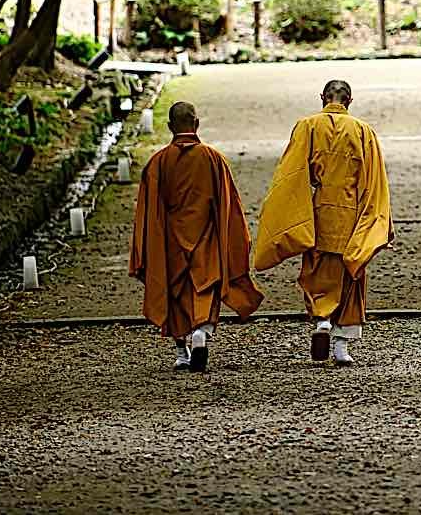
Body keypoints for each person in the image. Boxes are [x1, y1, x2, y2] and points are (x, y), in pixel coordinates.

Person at [253, 80, 392, 366]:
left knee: (316, 270)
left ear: (322, 98)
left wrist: (283, 213)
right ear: (350, 100)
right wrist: (378, 221)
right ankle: (342, 347)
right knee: (350, 274)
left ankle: (322, 320)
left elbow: (290, 175)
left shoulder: (307, 126)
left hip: (318, 212)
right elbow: (374, 179)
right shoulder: (363, 131)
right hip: (351, 213)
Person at [130, 100, 263, 371]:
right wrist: (235, 240)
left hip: (170, 242)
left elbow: (147, 211)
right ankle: (202, 331)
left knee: (175, 292)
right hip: (206, 237)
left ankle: (181, 351)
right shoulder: (213, 159)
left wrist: (145, 249)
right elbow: (229, 206)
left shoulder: (157, 163)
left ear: (169, 127)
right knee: (204, 287)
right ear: (197, 123)